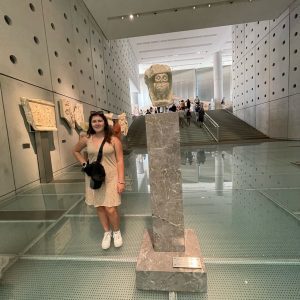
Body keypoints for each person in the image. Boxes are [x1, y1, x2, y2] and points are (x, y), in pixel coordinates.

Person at [73, 112, 125, 250]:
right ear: (91, 124)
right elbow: (76, 151)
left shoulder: (113, 140)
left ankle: (116, 232)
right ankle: (106, 232)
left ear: (105, 123)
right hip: (94, 177)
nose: (97, 123)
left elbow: (120, 161)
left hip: (111, 177)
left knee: (111, 208)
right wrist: (85, 164)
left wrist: (121, 181)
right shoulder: (86, 139)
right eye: (94, 121)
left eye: (99, 121)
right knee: (100, 207)